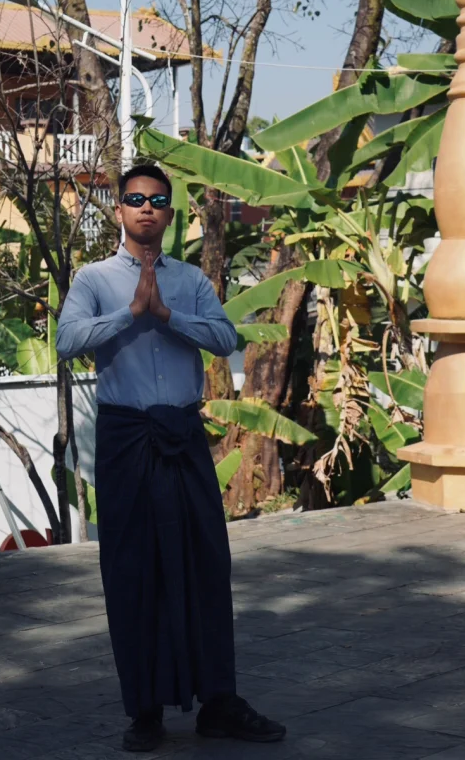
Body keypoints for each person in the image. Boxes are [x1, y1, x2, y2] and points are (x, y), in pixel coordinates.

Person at [57, 163, 287, 753]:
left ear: (168, 213)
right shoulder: (93, 279)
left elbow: (224, 339)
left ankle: (219, 702)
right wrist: (129, 313)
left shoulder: (190, 281)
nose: (146, 209)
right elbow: (67, 341)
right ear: (119, 210)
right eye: (135, 199)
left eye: (157, 200)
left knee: (204, 566)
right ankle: (146, 711)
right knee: (133, 572)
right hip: (127, 438)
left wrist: (165, 316)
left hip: (183, 435)